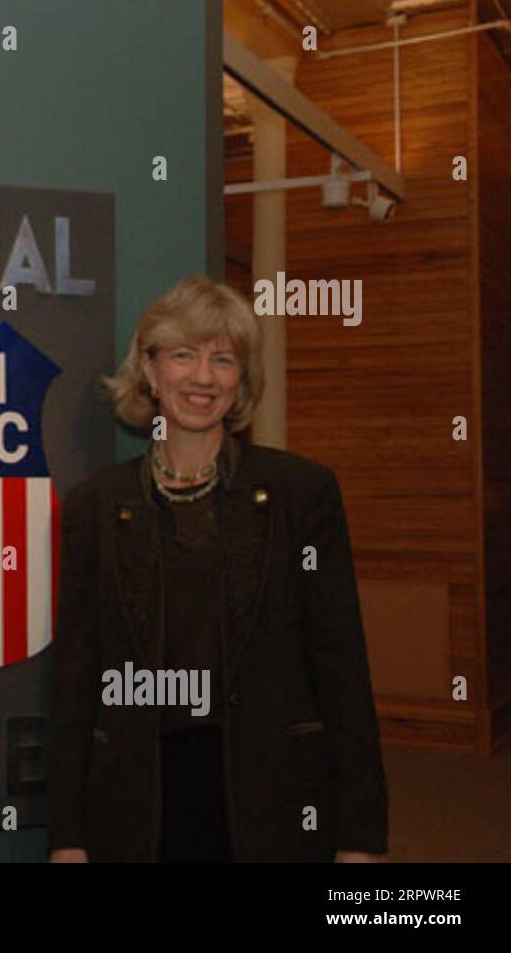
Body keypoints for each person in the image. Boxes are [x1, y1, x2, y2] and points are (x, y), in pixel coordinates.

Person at [48, 275, 387, 863]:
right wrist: (67, 837)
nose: (203, 377)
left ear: (241, 381)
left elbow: (342, 669)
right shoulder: (95, 506)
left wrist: (361, 837)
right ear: (150, 371)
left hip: (270, 794)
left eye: (223, 359)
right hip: (139, 796)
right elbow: (76, 678)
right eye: (184, 355)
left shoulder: (300, 493)